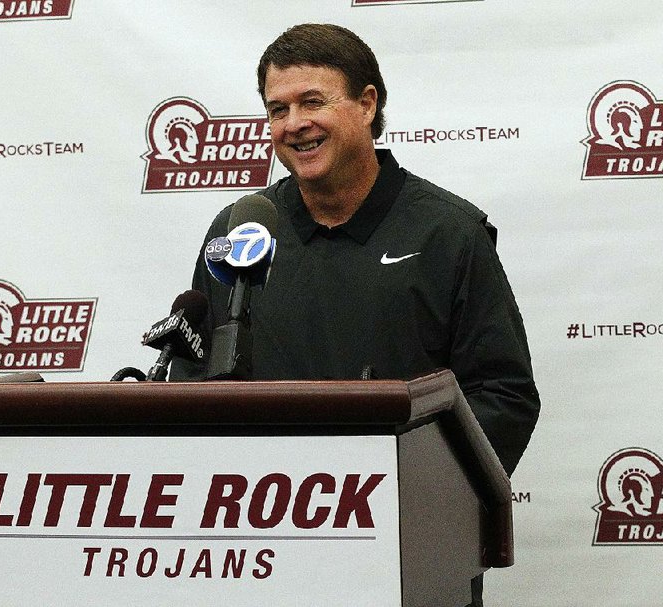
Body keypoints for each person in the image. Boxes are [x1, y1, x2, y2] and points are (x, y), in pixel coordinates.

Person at [172, 23, 540, 606]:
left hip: (407, 551)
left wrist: (404, 493)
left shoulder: (449, 232)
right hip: (261, 551)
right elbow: (193, 379)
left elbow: (504, 394)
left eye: (312, 101)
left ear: (367, 104)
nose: (293, 124)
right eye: (277, 109)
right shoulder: (241, 229)